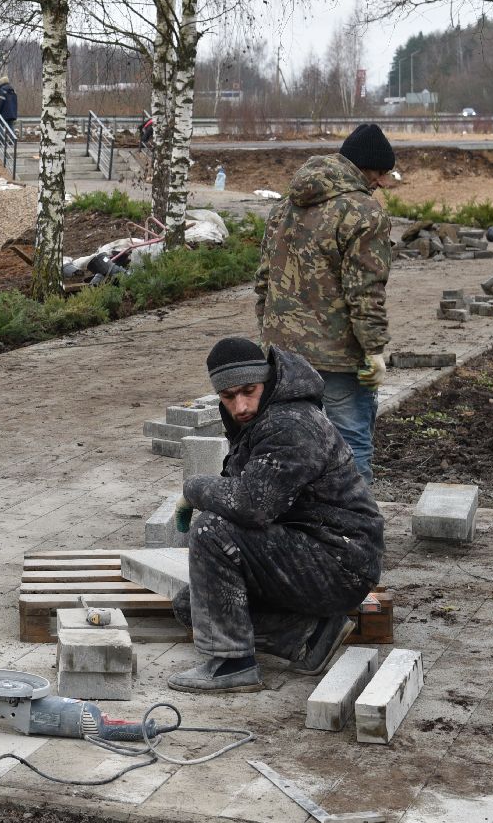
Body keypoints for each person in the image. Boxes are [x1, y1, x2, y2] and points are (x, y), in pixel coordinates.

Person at [167, 337, 384, 694]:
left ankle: (232, 664)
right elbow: (241, 492)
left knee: (211, 529)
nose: (240, 406)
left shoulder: (290, 423)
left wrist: (194, 488)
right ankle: (310, 635)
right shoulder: (259, 419)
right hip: (307, 553)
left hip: (340, 563)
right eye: (228, 396)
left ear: (265, 381)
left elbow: (252, 505)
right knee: (192, 606)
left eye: (248, 391)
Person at [254, 122, 395, 482]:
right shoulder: (364, 212)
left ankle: (297, 513)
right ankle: (353, 517)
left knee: (291, 444)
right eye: (380, 172)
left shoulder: (283, 208)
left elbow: (264, 282)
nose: (382, 182)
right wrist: (374, 350)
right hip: (338, 359)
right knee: (350, 446)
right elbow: (365, 291)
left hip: (283, 356)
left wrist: (270, 338)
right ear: (365, 166)